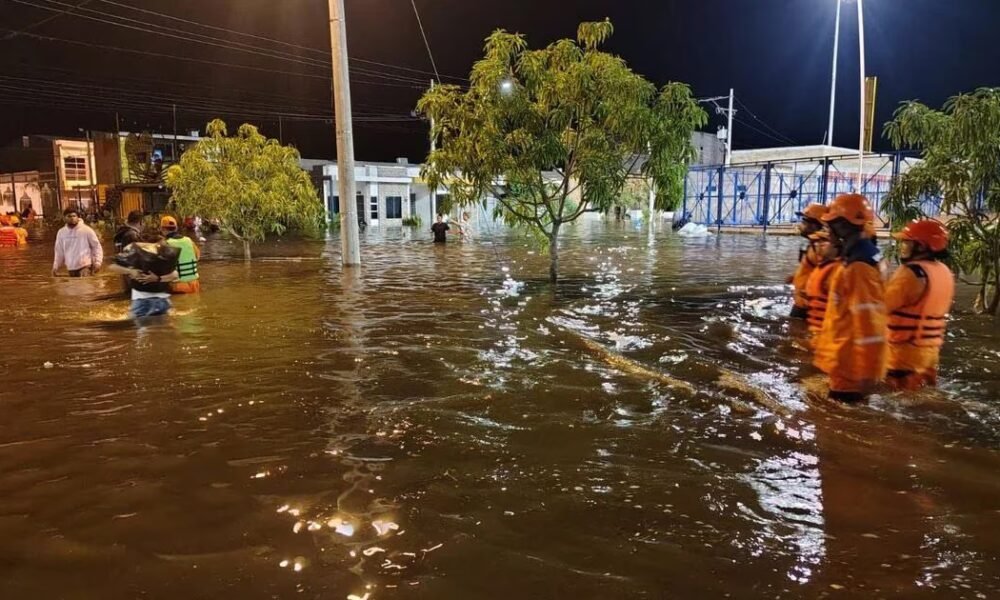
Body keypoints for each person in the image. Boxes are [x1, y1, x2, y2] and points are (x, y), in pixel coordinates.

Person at [812, 194, 887, 403]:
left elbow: (867, 320)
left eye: (830, 227)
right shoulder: (867, 256)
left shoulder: (858, 266)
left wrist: (866, 369)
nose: (827, 233)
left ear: (843, 227)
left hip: (850, 363)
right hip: (848, 359)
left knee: (833, 418)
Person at [884, 219, 955, 391]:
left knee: (898, 398)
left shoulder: (910, 273)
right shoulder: (944, 271)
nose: (902, 247)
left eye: (907, 243)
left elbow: (881, 307)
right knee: (922, 395)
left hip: (903, 354)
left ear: (921, 247)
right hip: (930, 353)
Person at [109, 241, 180, 318]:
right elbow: (175, 275)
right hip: (162, 300)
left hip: (144, 300)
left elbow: (112, 266)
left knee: (136, 323)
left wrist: (157, 278)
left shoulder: (137, 253)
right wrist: (158, 278)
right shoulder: (164, 256)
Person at [789, 203, 829, 318]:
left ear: (815, 225)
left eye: (805, 222)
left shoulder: (821, 247)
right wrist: (795, 277)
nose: (801, 225)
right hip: (803, 301)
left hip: (809, 304)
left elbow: (826, 276)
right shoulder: (814, 244)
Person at [803, 229, 842, 338]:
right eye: (817, 241)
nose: (818, 244)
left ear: (837, 246)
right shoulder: (822, 266)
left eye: (824, 241)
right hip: (815, 331)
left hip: (827, 333)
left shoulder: (837, 270)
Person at [52, 207, 103, 277]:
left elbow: (96, 247)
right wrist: (55, 266)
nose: (72, 218)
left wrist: (98, 262)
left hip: (86, 266)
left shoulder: (86, 230)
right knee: (74, 284)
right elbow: (59, 251)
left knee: (85, 283)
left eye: (74, 216)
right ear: (64, 218)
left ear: (78, 217)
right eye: (69, 216)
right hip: (71, 268)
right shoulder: (61, 233)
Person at [160, 216, 201, 294]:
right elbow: (197, 257)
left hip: (178, 286)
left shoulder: (166, 244)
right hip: (194, 284)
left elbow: (161, 266)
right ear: (176, 228)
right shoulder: (189, 240)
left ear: (162, 229)